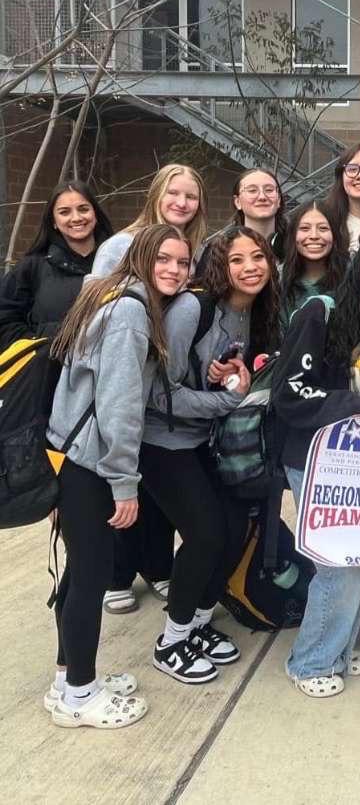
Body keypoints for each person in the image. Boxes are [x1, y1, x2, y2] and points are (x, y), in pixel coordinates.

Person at [45, 223, 191, 728]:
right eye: (163, 260)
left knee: (78, 572)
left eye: (182, 262)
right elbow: (120, 407)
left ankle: (68, 677)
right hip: (91, 463)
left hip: (70, 454)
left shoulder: (110, 299)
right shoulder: (130, 312)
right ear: (141, 261)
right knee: (90, 577)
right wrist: (124, 483)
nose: (173, 269)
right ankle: (80, 695)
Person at [271, 231, 360, 698]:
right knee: (337, 562)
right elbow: (288, 394)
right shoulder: (320, 311)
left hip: (352, 458)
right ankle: (310, 663)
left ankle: (336, 648)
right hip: (311, 454)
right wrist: (355, 402)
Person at [141, 227, 280, 684]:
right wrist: (225, 400)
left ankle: (198, 623)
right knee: (203, 534)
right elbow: (159, 394)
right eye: (237, 260)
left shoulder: (253, 314)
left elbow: (222, 382)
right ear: (221, 266)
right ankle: (171, 640)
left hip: (206, 441)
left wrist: (230, 380)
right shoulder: (190, 309)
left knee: (232, 529)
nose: (250, 267)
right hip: (163, 442)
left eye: (257, 256)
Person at [94, 164, 208, 615]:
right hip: (120, 382)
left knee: (155, 494)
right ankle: (117, 575)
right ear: (156, 193)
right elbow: (95, 313)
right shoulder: (120, 246)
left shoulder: (191, 253)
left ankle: (158, 568)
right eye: (174, 193)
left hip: (156, 391)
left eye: (192, 197)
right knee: (120, 487)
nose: (182, 203)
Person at [0, 181, 114, 346]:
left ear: (95, 214)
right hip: (48, 366)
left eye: (83, 209)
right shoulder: (32, 267)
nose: (76, 218)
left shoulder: (120, 262)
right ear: (53, 222)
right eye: (64, 212)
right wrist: (42, 343)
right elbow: (4, 319)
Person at [278, 201, 347, 328]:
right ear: (293, 235)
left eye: (323, 228)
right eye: (305, 228)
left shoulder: (350, 276)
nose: (314, 236)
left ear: (335, 235)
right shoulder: (279, 279)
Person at [201, 168, 287, 264]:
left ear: (279, 200)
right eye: (252, 190)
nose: (262, 197)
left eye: (269, 190)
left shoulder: (296, 245)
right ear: (237, 202)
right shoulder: (218, 250)